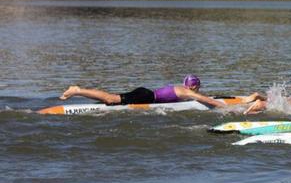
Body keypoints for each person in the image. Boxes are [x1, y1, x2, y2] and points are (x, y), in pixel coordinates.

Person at [58, 75, 250, 109]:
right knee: (110, 99)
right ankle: (77, 90)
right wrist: (226, 107)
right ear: (194, 86)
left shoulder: (180, 88)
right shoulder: (188, 93)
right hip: (145, 97)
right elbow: (207, 100)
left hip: (145, 93)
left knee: (111, 100)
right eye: (198, 87)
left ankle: (79, 91)